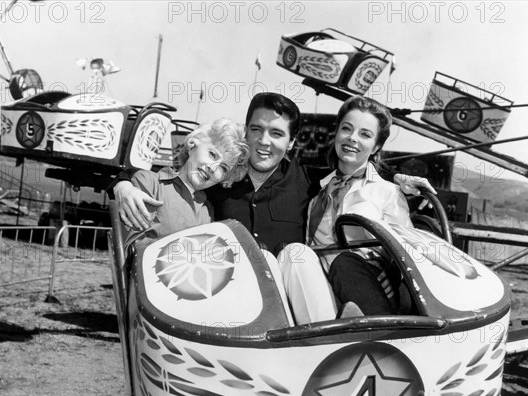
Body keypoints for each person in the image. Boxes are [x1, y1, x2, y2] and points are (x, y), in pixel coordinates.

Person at [111, 92, 434, 257]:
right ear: (246, 131)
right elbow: (174, 180)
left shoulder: (311, 183)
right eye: (257, 130)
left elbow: (353, 172)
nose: (264, 142)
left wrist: (396, 182)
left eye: (277, 134)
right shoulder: (219, 180)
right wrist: (122, 184)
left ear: (292, 142)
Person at [278, 95, 414, 322]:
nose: (352, 139)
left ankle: (382, 334)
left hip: (367, 283)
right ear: (337, 133)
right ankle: (321, 339)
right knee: (293, 254)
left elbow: (407, 254)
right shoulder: (319, 188)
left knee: (345, 263)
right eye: (346, 129)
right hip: (322, 285)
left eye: (365, 134)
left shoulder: (387, 192)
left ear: (377, 145)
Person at [123, 118, 249, 252]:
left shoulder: (207, 212)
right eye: (212, 154)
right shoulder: (149, 183)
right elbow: (131, 248)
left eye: (223, 168)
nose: (213, 168)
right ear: (192, 145)